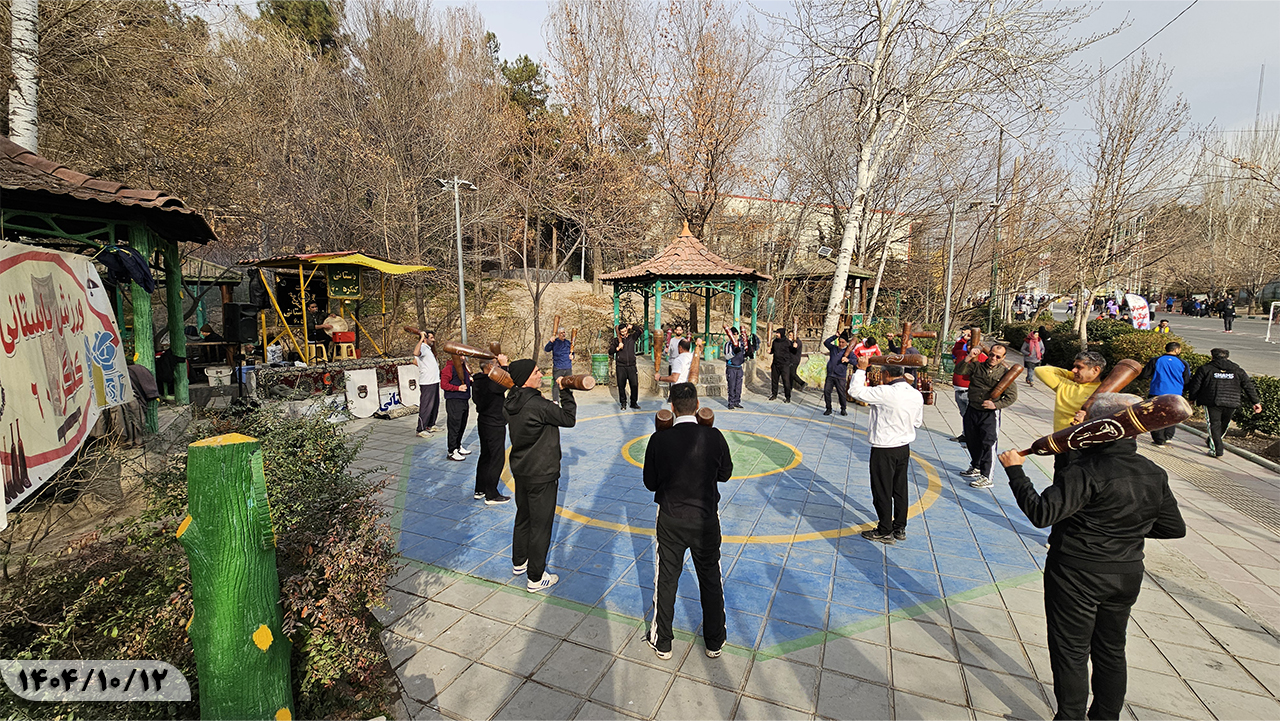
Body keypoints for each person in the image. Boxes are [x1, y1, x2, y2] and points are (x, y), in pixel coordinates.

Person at [998, 393, 1186, 721]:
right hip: (1126, 573)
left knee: (1071, 650)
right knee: (1111, 650)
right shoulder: (1153, 471)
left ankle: (1070, 717)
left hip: (1077, 572)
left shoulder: (1087, 469)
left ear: (1099, 426)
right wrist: (1125, 531)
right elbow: (1172, 527)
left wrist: (1015, 472)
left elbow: (1042, 513)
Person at [642, 382, 732, 660]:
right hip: (705, 518)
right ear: (697, 405)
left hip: (671, 518)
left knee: (667, 578)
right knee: (710, 577)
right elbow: (725, 474)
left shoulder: (659, 440)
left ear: (671, 407)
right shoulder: (714, 436)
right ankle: (714, 641)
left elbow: (650, 483)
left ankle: (663, 642)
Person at [504, 359, 578, 592]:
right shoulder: (539, 405)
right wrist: (565, 391)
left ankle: (519, 562)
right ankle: (535, 577)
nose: (541, 374)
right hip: (542, 473)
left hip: (521, 469)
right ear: (526, 378)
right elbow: (568, 418)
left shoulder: (511, 400)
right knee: (541, 525)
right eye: (536, 372)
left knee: (523, 516)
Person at [849, 358, 924, 544]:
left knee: (882, 490)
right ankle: (900, 527)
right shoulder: (915, 394)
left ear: (887, 374)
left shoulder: (885, 392)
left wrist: (861, 369)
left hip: (884, 448)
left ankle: (884, 529)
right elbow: (917, 422)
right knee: (900, 489)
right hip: (903, 447)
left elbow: (854, 391)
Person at [1034, 351, 1106, 478]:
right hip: (1061, 444)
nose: (1073, 370)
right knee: (1059, 480)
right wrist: (1072, 375)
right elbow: (1041, 370)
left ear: (1095, 370)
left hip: (1083, 447)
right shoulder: (1065, 385)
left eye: (1079, 367)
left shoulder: (1104, 392)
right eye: (1074, 367)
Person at [956, 342, 1018, 489]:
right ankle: (976, 466)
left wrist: (995, 405)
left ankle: (987, 476)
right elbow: (959, 370)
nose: (993, 358)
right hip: (972, 409)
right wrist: (969, 356)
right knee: (971, 440)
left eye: (998, 357)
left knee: (988, 443)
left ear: (1003, 358)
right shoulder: (977, 366)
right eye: (991, 355)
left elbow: (1011, 396)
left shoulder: (1005, 374)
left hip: (989, 414)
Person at [1187, 348, 1262, 458]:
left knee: (1214, 424)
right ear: (1227, 357)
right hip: (1231, 401)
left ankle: (1217, 449)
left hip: (1211, 401)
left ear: (1212, 356)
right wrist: (1256, 402)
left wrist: (1192, 398)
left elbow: (1196, 385)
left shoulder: (1205, 369)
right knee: (1224, 424)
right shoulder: (1237, 370)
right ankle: (1214, 442)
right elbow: (1248, 386)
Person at [471, 353, 511, 504]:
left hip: (483, 421)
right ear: (489, 366)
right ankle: (491, 494)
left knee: (485, 456)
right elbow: (505, 382)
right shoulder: (490, 382)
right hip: (494, 424)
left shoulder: (478, 380)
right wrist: (505, 366)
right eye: (496, 364)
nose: (498, 367)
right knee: (497, 458)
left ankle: (480, 489)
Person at [1140, 342, 1189, 446]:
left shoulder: (1156, 360)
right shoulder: (1183, 363)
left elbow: (1144, 375)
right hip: (1176, 393)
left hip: (1157, 391)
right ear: (1176, 350)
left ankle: (1158, 438)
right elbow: (1187, 380)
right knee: (1172, 414)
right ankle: (1168, 436)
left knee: (1156, 414)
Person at [949, 328, 982, 443]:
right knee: (964, 415)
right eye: (968, 346)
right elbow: (955, 350)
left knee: (971, 416)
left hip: (969, 391)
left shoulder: (981, 358)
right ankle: (965, 434)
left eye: (971, 346)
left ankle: (973, 438)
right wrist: (963, 339)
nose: (969, 348)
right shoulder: (962, 354)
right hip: (958, 390)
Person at [440, 354, 474, 462]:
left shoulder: (463, 368)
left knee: (462, 424)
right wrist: (457, 388)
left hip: (464, 400)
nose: (463, 357)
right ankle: (452, 450)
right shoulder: (448, 368)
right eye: (461, 355)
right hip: (454, 400)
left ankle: (458, 446)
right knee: (454, 426)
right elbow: (444, 384)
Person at [415, 330, 441, 438]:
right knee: (426, 405)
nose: (433, 340)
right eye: (431, 338)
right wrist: (421, 338)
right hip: (427, 382)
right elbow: (416, 354)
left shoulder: (429, 349)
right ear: (425, 339)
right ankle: (420, 429)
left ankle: (430, 425)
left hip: (434, 380)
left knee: (435, 405)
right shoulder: (422, 347)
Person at [610, 323, 641, 411]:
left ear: (627, 329)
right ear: (619, 332)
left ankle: (633, 403)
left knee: (634, 385)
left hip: (631, 366)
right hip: (621, 366)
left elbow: (640, 331)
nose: (624, 333)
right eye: (622, 332)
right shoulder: (616, 340)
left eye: (625, 331)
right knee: (621, 386)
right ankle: (623, 403)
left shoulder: (632, 337)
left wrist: (633, 327)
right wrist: (617, 348)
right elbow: (610, 351)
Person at [822, 333, 852, 416]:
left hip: (840, 376)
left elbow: (855, 361)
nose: (841, 344)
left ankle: (843, 409)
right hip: (830, 375)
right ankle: (828, 408)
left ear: (846, 343)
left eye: (843, 342)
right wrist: (835, 336)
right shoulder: (833, 348)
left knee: (841, 393)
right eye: (840, 342)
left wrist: (848, 360)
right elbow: (826, 342)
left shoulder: (848, 352)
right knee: (827, 391)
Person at [543, 328, 573, 405]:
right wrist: (550, 342)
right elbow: (546, 349)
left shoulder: (568, 343)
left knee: (568, 384)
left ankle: (568, 399)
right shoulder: (555, 342)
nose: (563, 334)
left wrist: (572, 356)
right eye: (561, 333)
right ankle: (556, 400)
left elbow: (572, 353)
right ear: (558, 334)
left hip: (568, 367)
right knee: (556, 384)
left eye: (564, 332)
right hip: (558, 367)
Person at [768, 328, 799, 402]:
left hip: (785, 365)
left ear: (781, 333)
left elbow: (793, 352)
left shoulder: (787, 342)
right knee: (774, 380)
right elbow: (773, 350)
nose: (776, 334)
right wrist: (770, 351)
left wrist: (795, 347)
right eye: (776, 333)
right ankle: (774, 394)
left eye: (778, 333)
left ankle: (787, 397)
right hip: (775, 364)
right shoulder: (775, 341)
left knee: (786, 381)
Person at [723, 327, 747, 409]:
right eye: (734, 334)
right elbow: (726, 356)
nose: (736, 336)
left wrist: (747, 354)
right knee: (731, 386)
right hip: (731, 368)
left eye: (737, 334)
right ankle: (731, 403)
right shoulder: (728, 344)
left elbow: (744, 354)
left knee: (738, 386)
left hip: (739, 368)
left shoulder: (741, 344)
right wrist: (734, 352)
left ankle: (737, 401)